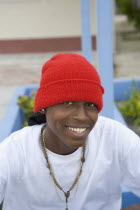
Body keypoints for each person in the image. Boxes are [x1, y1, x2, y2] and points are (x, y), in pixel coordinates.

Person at [0, 53, 140, 210]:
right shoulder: (15, 151)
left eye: (90, 104)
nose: (81, 116)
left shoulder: (114, 138)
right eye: (68, 103)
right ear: (44, 108)